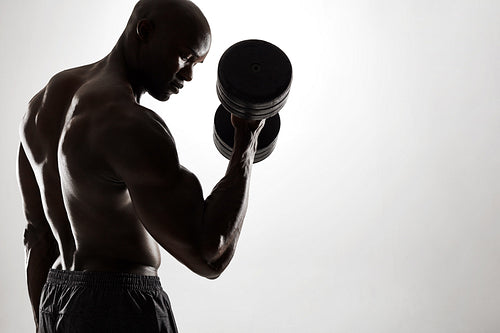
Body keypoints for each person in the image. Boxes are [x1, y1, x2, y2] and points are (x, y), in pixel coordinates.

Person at [17, 0, 265, 331]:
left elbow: (38, 236)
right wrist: (245, 147)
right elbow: (210, 255)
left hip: (55, 297)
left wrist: (43, 323)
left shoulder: (40, 106)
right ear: (145, 31)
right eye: (185, 57)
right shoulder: (126, 123)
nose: (189, 74)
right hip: (118, 306)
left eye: (197, 64)